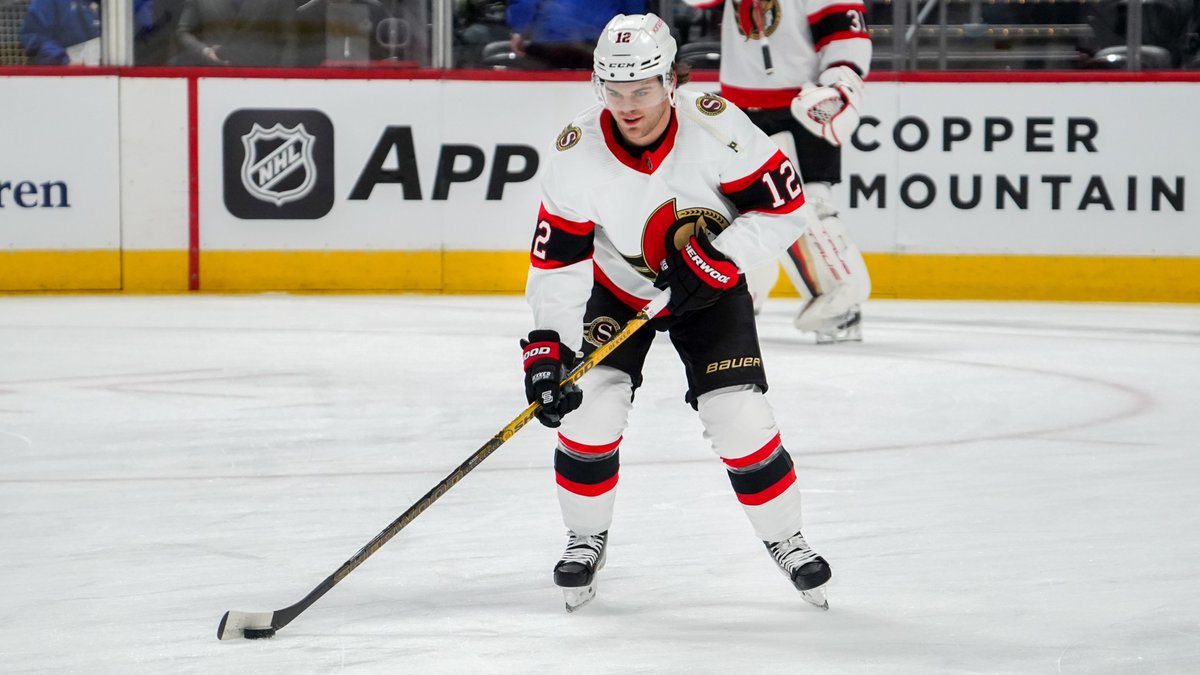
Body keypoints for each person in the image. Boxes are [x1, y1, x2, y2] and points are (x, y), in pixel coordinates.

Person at [520, 12, 832, 613]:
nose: (628, 106)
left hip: (709, 289)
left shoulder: (718, 129)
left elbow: (786, 209)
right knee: (588, 413)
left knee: (739, 416)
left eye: (641, 89)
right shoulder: (576, 153)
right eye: (614, 91)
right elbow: (558, 264)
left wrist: (720, 259)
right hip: (618, 289)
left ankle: (787, 540)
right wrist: (547, 350)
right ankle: (586, 537)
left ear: (671, 80)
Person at [683, 0, 872, 343]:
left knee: (811, 207)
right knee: (736, 209)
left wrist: (838, 87)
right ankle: (738, 300)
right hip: (739, 106)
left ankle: (840, 305)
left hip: (804, 106)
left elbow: (846, 36)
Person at [505, 0, 646, 68]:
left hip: (550, 42)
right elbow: (633, 8)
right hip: (599, 43)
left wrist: (519, 29)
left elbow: (525, 4)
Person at [20, 0, 154, 65]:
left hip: (130, 82)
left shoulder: (137, 3)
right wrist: (64, 60)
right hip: (69, 85)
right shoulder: (52, 2)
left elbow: (153, 36)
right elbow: (32, 37)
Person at [175, 0, 297, 66]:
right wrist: (205, 52)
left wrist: (284, 80)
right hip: (213, 81)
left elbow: (290, 39)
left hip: (262, 80)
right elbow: (183, 32)